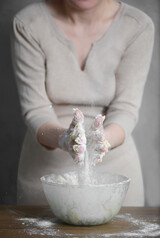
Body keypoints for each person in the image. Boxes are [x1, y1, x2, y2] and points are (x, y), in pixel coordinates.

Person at [10, 0, 155, 206]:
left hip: (116, 175)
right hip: (44, 176)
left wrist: (102, 140)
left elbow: (126, 109)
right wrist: (65, 139)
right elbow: (36, 110)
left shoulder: (138, 26)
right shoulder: (28, 23)